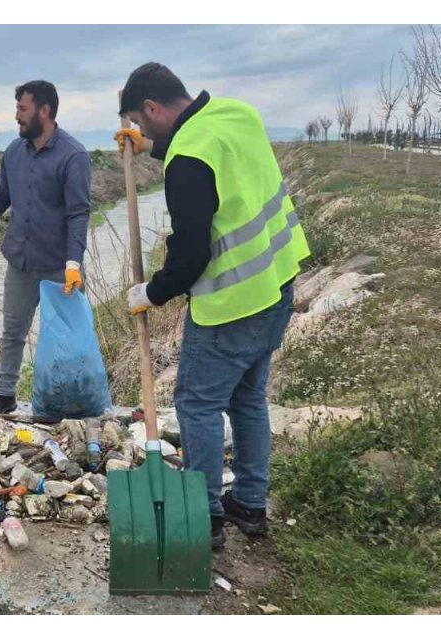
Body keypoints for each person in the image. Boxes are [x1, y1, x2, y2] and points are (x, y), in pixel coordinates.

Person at [115, 63, 310, 549]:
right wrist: (150, 149)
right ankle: (250, 502)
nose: (139, 131)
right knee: (247, 399)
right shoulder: (235, 115)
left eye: (139, 123)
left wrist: (151, 293)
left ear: (153, 108)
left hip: (231, 305)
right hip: (277, 284)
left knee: (198, 404)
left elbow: (192, 253)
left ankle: (205, 516)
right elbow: (216, 174)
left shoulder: (187, 157)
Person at [0, 80, 92, 416]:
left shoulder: (74, 155)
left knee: (68, 341)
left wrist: (74, 261)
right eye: (16, 109)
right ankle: (4, 397)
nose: (17, 116)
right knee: (12, 333)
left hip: (60, 267)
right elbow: (1, 197)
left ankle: (72, 402)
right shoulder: (14, 151)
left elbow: (79, 212)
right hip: (21, 262)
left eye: (22, 109)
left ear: (45, 111)